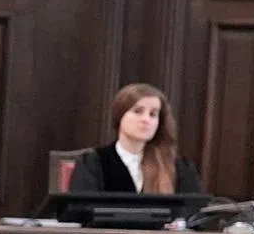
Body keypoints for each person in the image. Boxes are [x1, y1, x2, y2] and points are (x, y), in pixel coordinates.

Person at [68, 82, 202, 194]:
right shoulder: (93, 163)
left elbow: (194, 213)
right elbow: (80, 210)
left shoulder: (178, 167)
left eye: (153, 114)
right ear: (119, 116)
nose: (146, 120)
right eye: (138, 111)